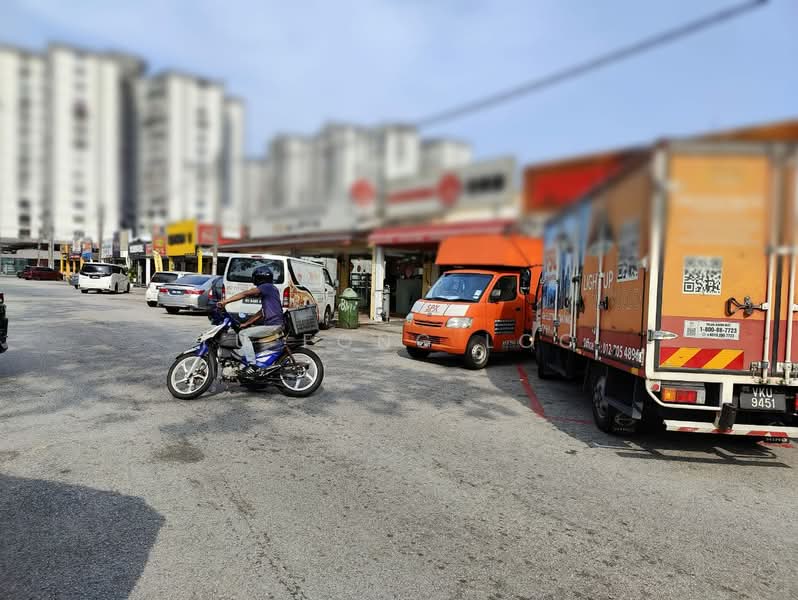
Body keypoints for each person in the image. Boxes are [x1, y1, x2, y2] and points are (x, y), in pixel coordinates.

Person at [217, 266, 283, 363]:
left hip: (273, 326)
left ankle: (251, 363)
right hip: (275, 325)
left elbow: (245, 294)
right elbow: (261, 312)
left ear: (259, 278)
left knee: (243, 334)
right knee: (249, 332)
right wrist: (247, 323)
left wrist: (225, 301)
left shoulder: (266, 287)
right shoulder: (272, 288)